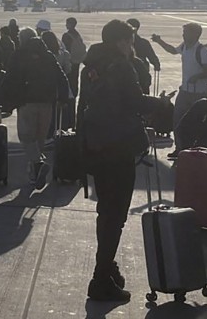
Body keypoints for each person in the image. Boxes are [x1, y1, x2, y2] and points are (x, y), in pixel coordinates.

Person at [80, 19, 158, 303]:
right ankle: (100, 279)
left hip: (97, 147)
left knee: (106, 212)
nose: (132, 46)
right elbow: (135, 102)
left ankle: (108, 267)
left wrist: (83, 149)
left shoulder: (91, 66)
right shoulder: (123, 66)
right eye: (130, 41)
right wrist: (161, 105)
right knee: (116, 217)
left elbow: (83, 106)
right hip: (119, 148)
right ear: (121, 41)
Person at [7, 27, 69, 188]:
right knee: (39, 138)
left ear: (23, 40)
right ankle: (34, 174)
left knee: (26, 136)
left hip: (27, 102)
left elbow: (11, 78)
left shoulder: (20, 55)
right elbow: (61, 76)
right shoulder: (48, 56)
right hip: (47, 103)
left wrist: (2, 99)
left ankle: (38, 163)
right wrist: (63, 97)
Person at [152, 23, 207, 156]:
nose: (183, 35)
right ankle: (180, 149)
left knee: (198, 124)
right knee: (178, 120)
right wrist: (159, 41)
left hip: (200, 93)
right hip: (185, 91)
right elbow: (172, 51)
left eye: (186, 32)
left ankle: (198, 150)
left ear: (195, 34)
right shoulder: (184, 46)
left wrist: (197, 77)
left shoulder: (202, 50)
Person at [61, 17, 87, 99]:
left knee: (69, 79)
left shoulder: (66, 36)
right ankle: (74, 94)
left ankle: (69, 96)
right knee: (75, 78)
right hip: (77, 60)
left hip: (70, 60)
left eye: (67, 23)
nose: (66, 25)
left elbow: (65, 49)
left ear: (71, 24)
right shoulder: (77, 34)